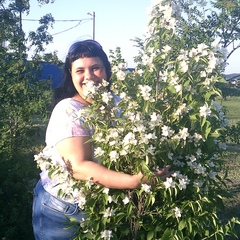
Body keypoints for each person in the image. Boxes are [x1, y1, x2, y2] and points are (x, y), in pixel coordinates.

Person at [32, 39, 172, 240]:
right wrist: (136, 181)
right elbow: (78, 167)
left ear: (106, 71)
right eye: (79, 70)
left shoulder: (117, 104)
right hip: (64, 208)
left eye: (95, 68)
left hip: (101, 204)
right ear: (70, 75)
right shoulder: (69, 110)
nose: (88, 76)